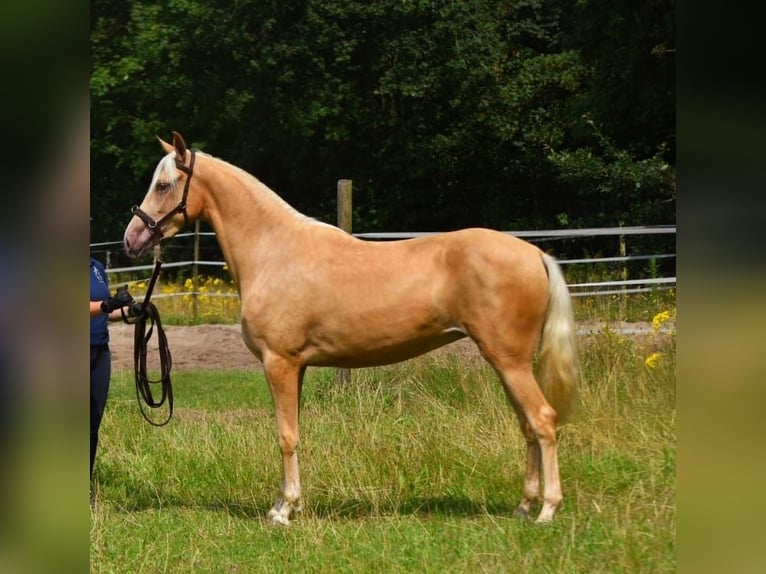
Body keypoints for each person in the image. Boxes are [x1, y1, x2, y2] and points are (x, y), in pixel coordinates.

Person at [90, 255, 141, 486]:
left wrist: (131, 311)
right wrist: (107, 304)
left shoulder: (97, 267)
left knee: (92, 424)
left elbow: (105, 313)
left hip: (100, 350)